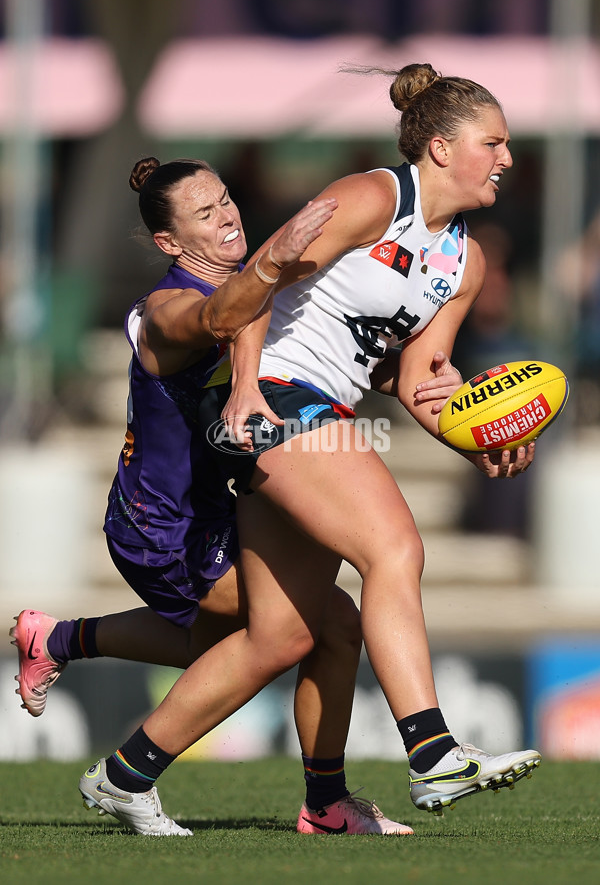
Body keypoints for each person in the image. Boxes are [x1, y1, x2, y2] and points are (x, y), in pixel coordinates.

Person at [52, 61, 542, 836]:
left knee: (290, 634)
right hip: (276, 396)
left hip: (325, 408)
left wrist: (479, 441)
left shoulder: (468, 261)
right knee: (395, 548)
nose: (507, 158)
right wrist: (246, 384)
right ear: (442, 148)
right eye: (495, 142)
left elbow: (422, 384)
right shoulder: (374, 197)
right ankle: (432, 751)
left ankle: (131, 775)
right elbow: (259, 278)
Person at [10, 157, 419, 837]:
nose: (227, 215)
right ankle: (128, 775)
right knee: (293, 631)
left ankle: (57, 639)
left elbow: (282, 332)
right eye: (205, 214)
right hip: (161, 527)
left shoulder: (252, 284)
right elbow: (223, 316)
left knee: (306, 630)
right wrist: (272, 263)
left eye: (226, 200)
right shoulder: (164, 311)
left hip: (218, 511)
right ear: (170, 244)